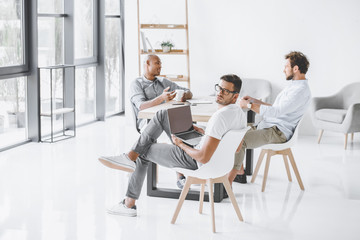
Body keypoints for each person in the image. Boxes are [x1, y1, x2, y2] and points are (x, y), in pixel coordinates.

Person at [99, 74, 247, 217]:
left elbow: (203, 157)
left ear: (235, 96)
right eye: (219, 88)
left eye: (225, 91)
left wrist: (181, 144)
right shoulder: (240, 114)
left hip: (196, 161)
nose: (220, 93)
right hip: (218, 162)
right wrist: (205, 134)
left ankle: (128, 203)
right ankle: (130, 158)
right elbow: (237, 148)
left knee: (144, 149)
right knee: (163, 115)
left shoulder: (219, 117)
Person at [229, 51, 311, 184]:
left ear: (295, 69)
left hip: (278, 132)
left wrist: (249, 106)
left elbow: (276, 112)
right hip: (269, 126)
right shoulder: (294, 86)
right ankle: (239, 171)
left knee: (240, 140)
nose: (284, 69)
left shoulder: (300, 91)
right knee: (232, 131)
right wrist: (255, 101)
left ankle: (228, 183)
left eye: (286, 66)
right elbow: (276, 107)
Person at [130, 54, 193, 189]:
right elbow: (141, 106)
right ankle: (183, 173)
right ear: (147, 64)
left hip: (167, 120)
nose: (160, 66)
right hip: (147, 123)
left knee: (182, 126)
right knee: (177, 128)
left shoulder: (163, 82)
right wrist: (161, 98)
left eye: (160, 63)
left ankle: (183, 172)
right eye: (157, 63)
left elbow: (188, 92)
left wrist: (183, 95)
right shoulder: (136, 83)